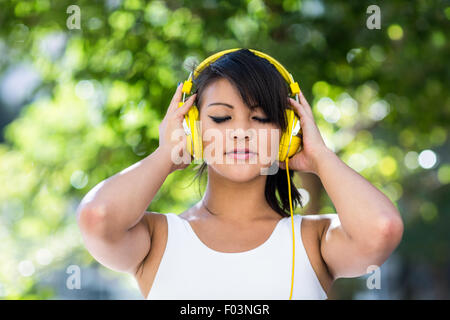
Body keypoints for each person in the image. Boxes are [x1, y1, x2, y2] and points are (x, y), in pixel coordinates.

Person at [76, 49, 404, 300]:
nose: (241, 132)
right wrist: (166, 155)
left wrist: (319, 156)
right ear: (192, 128)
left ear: (287, 133)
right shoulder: (158, 238)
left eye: (260, 118)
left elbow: (381, 228)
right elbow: (97, 217)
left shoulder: (313, 240)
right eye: (221, 118)